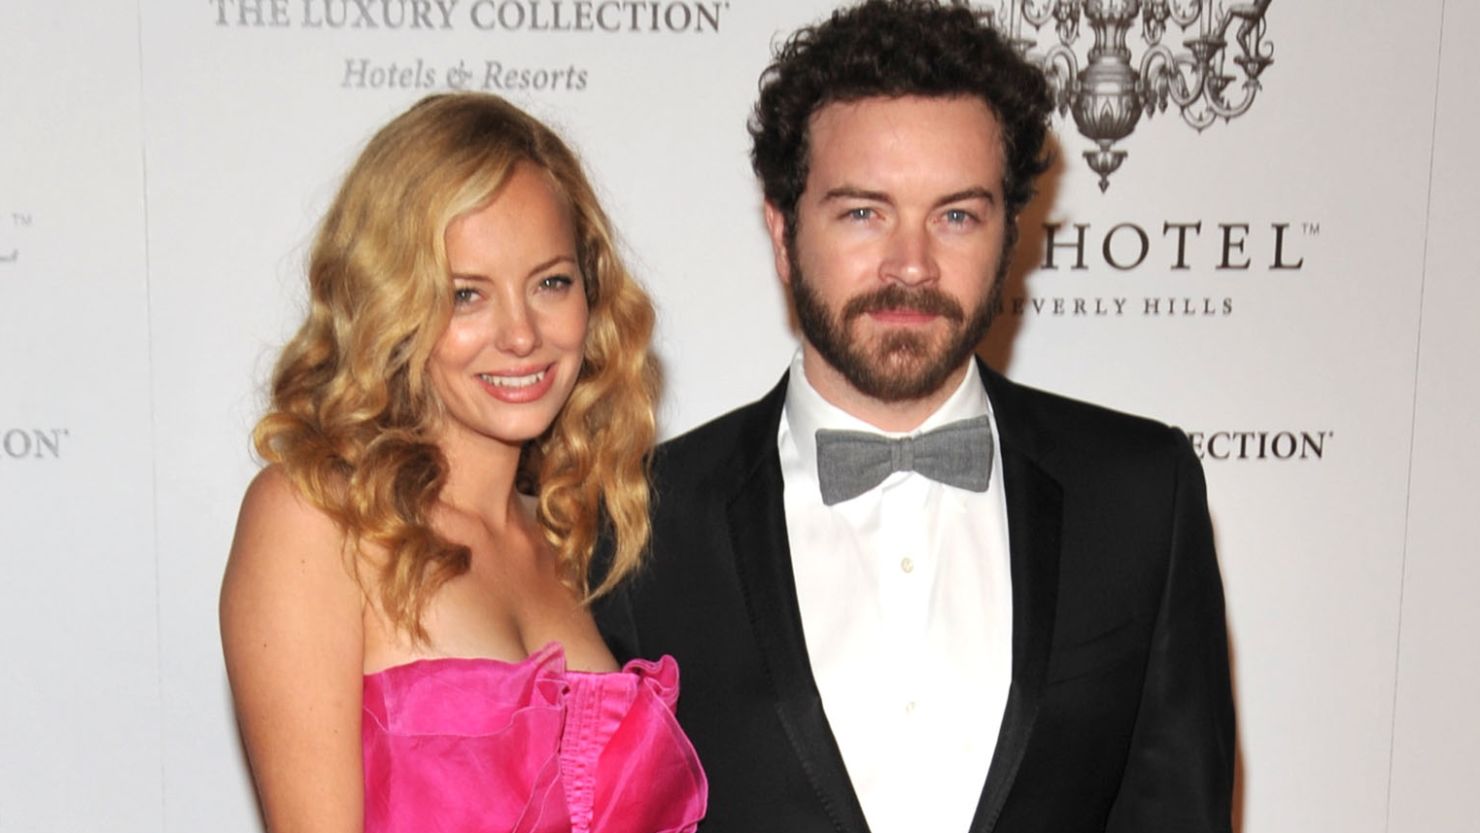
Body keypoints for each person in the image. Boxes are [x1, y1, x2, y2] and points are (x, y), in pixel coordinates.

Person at [594, 2, 1234, 832]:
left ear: (1010, 235)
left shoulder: (1142, 492)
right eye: (864, 212)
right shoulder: (642, 521)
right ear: (783, 233)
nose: (912, 265)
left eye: (956, 215)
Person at [220, 93, 706, 833]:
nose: (520, 333)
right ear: (393, 307)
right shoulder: (314, 520)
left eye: (551, 282)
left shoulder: (576, 538)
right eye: (466, 295)